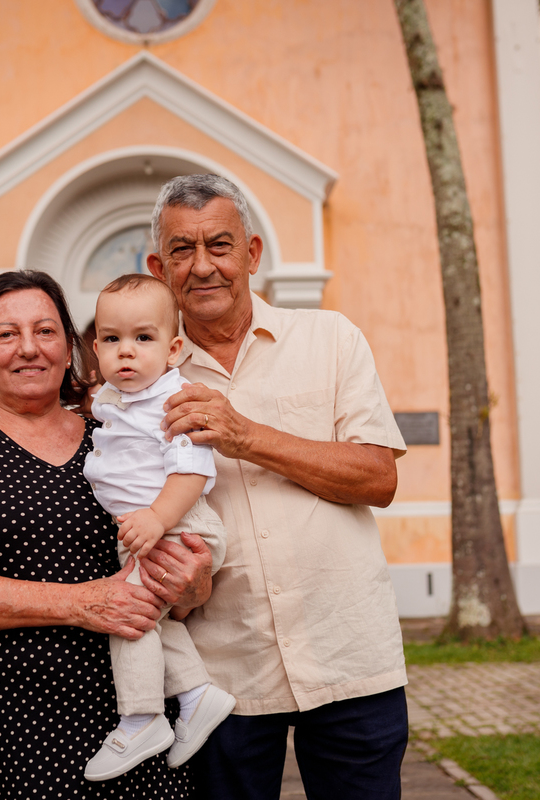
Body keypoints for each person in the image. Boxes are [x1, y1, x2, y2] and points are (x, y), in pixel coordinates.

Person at [0, 269, 211, 799]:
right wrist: (80, 603)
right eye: (7, 334)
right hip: (8, 720)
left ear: (71, 349)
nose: (28, 349)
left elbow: (180, 568)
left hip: (134, 712)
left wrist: (191, 586)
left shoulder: (120, 436)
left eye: (46, 331)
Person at [144, 174, 410, 799]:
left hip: (349, 658)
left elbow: (378, 476)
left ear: (252, 254)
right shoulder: (140, 381)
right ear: (159, 267)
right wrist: (171, 586)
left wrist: (245, 436)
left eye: (220, 245)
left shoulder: (331, 339)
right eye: (182, 250)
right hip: (218, 677)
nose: (203, 266)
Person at [81, 274, 235, 781]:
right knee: (155, 620)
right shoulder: (112, 398)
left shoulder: (176, 399)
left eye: (142, 339)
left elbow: (192, 471)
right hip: (148, 529)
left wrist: (158, 518)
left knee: (127, 613)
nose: (126, 352)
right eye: (112, 339)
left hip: (177, 522)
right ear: (95, 345)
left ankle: (142, 717)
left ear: (172, 349)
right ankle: (195, 694)